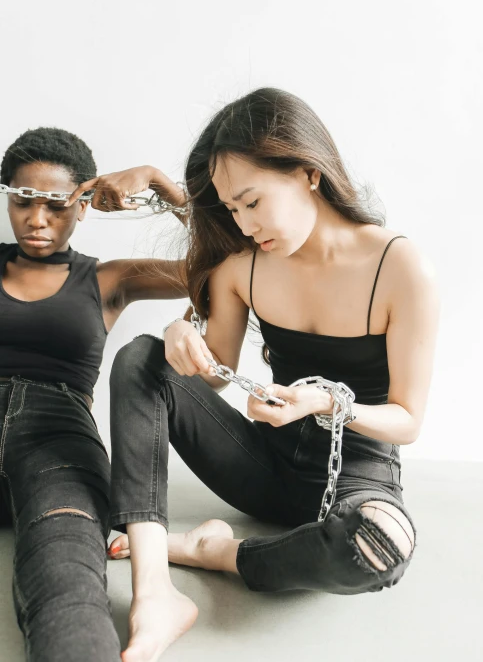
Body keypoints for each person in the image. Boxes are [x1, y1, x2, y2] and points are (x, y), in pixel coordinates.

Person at [105, 87, 439, 662]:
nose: (242, 222)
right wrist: (182, 338)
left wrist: (325, 404)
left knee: (380, 548)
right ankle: (154, 588)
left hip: (355, 477)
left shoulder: (399, 266)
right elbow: (214, 377)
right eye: (231, 209)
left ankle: (217, 553)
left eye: (252, 202)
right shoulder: (242, 266)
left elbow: (407, 421)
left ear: (308, 172)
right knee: (141, 356)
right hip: (261, 466)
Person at [0, 127, 189, 662]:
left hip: (57, 443)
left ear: (83, 207)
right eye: (24, 201)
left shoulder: (109, 279)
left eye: (58, 205)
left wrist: (158, 184)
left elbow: (224, 264)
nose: (38, 220)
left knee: (67, 581)